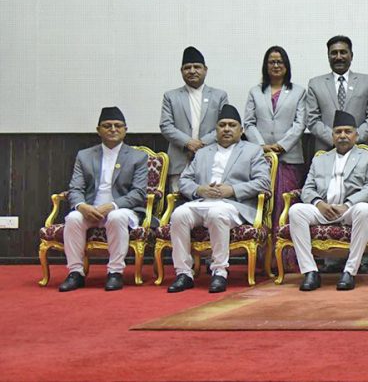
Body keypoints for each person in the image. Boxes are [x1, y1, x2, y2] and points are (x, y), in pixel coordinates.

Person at [166, 105, 271, 294]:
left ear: (241, 130)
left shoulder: (253, 151)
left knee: (217, 213)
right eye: (222, 125)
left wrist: (231, 190)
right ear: (216, 130)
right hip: (201, 202)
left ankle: (219, 272)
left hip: (233, 205)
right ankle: (183, 273)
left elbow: (263, 182)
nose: (227, 129)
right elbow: (184, 181)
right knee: (179, 214)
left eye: (232, 125)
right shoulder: (203, 152)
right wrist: (200, 189)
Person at [57, 107, 149, 292]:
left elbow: (138, 193)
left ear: (125, 129)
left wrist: (112, 206)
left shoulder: (137, 157)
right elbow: (75, 188)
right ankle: (75, 272)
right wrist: (81, 206)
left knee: (116, 217)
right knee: (73, 219)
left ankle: (115, 272)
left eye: (118, 126)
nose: (113, 129)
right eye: (107, 126)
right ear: (98, 130)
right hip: (90, 208)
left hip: (122, 208)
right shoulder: (85, 156)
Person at [288, 111, 368, 291]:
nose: (343, 136)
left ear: (356, 135)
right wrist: (318, 204)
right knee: (296, 211)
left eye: (348, 131)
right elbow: (307, 189)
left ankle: (350, 271)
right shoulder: (320, 159)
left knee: (364, 210)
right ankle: (310, 272)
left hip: (349, 210)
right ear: (332, 136)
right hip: (324, 209)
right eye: (338, 132)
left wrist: (346, 205)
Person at [243, 45, 306, 272]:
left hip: (289, 157)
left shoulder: (298, 92)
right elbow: (248, 122)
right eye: (272, 62)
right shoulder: (255, 92)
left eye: (280, 62)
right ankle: (264, 259)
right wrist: (262, 146)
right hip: (261, 159)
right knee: (264, 205)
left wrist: (281, 145)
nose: (276, 65)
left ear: (287, 65)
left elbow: (300, 123)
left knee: (285, 205)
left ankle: (289, 259)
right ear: (265, 66)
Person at [159, 46, 229, 192]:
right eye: (187, 67)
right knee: (177, 205)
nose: (192, 71)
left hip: (210, 158)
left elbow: (224, 126)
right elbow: (166, 126)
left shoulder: (219, 95)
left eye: (196, 67)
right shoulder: (171, 96)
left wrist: (202, 143)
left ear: (205, 69)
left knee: (208, 199)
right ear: (181, 71)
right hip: (180, 159)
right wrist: (188, 142)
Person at [305, 35, 368, 151]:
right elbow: (312, 119)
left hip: (360, 151)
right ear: (328, 56)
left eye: (343, 52)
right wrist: (336, 139)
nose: (338, 57)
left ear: (351, 55)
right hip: (326, 152)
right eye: (334, 53)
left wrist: (353, 138)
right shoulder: (315, 84)